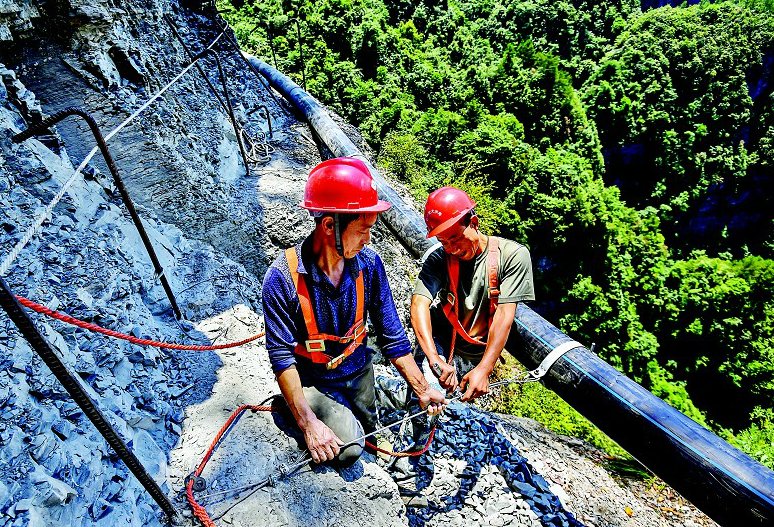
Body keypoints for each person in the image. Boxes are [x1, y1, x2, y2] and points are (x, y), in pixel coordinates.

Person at [262, 157, 447, 466]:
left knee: (372, 431)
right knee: (349, 450)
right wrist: (309, 424)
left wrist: (423, 388)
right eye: (362, 230)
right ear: (329, 225)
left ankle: (361, 421)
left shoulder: (369, 265)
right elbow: (281, 357)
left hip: (359, 370)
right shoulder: (283, 278)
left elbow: (393, 338)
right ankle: (293, 407)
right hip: (315, 380)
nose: (368, 239)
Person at [411, 186, 535, 402]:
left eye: (456, 238)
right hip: (442, 340)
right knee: (427, 401)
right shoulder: (439, 259)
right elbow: (419, 304)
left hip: (476, 355)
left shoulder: (513, 256)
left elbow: (504, 315)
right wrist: (432, 357)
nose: (452, 249)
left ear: (474, 223)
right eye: (443, 242)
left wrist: (485, 369)